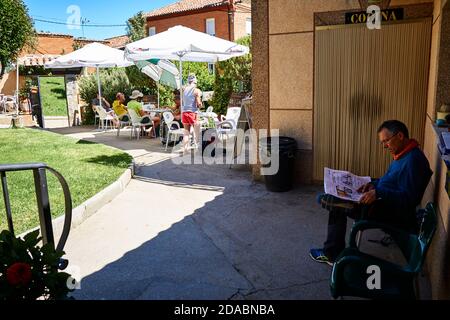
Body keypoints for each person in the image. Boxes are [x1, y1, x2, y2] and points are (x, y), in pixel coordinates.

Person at [310, 120, 432, 266]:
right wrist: (372, 184)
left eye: (386, 141)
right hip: (379, 201)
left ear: (400, 136)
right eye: (382, 142)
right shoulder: (404, 154)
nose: (384, 146)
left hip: (387, 211)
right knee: (332, 198)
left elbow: (409, 199)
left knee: (332, 202)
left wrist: (378, 192)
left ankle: (331, 254)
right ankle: (332, 251)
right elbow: (391, 181)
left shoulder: (413, 161)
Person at [181, 74, 203, 152]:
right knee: (197, 132)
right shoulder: (196, 90)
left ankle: (185, 149)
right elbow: (199, 104)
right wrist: (201, 104)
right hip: (192, 113)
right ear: (195, 81)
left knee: (186, 132)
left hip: (184, 113)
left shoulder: (184, 90)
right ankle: (198, 148)